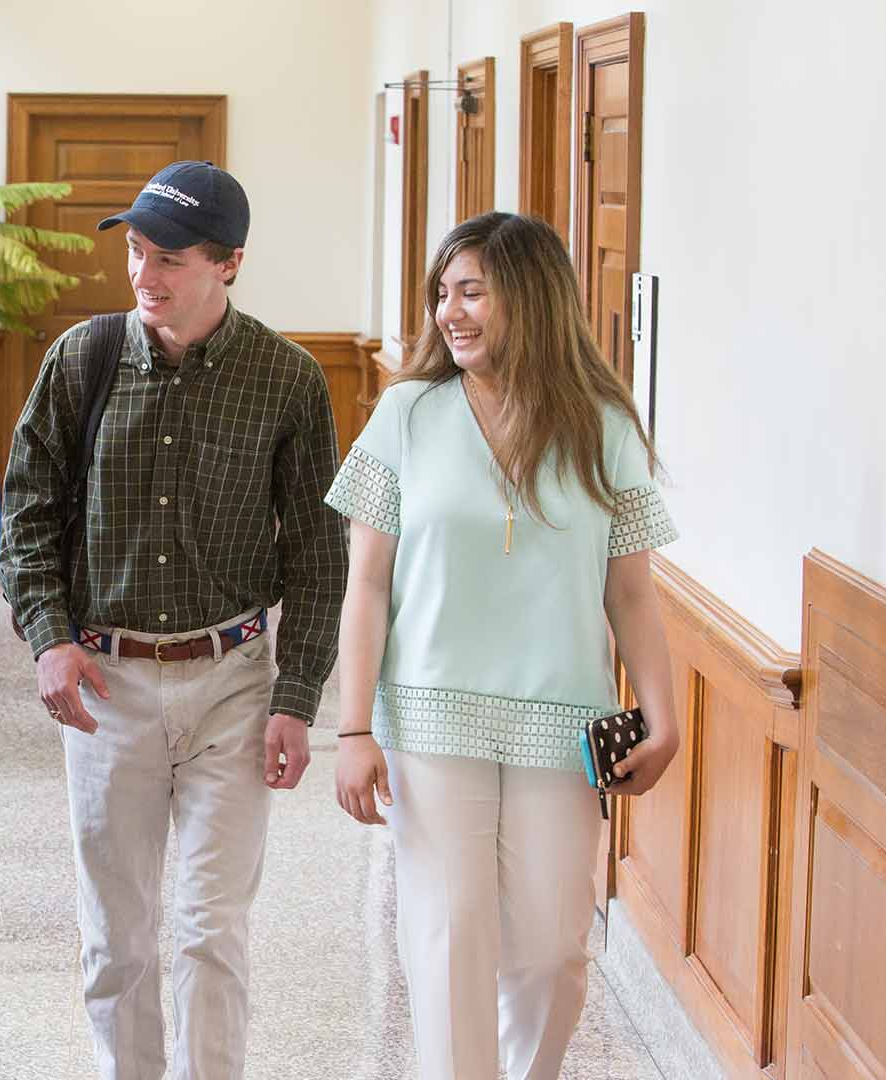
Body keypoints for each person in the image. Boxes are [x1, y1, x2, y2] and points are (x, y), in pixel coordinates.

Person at [0, 161, 349, 1080]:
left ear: (229, 264)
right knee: (119, 939)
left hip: (233, 680)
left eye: (171, 259)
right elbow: (26, 512)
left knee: (206, 929)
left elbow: (317, 551)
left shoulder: (288, 379)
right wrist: (49, 639)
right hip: (108, 683)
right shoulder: (83, 358)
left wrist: (298, 699)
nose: (145, 277)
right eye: (138, 252)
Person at [327, 211, 682, 1080]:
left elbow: (631, 590)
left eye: (471, 291)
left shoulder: (603, 424)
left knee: (554, 951)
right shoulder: (408, 413)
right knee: (449, 943)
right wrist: (352, 728)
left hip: (565, 720)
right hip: (430, 712)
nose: (450, 313)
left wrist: (663, 717)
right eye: (442, 294)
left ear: (529, 297)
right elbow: (367, 583)